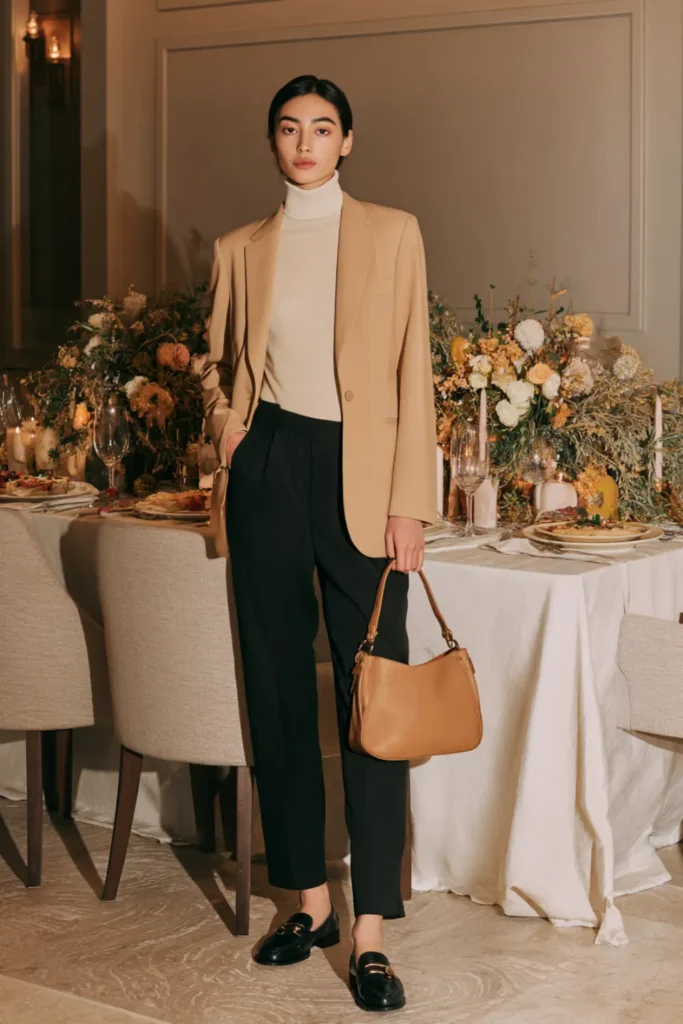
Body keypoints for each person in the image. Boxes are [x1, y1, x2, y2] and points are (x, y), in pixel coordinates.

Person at [201, 74, 437, 1013]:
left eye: (322, 128)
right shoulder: (239, 249)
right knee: (273, 686)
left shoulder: (392, 232)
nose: (305, 142)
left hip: (366, 476)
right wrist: (226, 425)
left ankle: (371, 927)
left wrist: (410, 501)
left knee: (375, 698)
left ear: (348, 142)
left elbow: (415, 366)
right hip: (269, 470)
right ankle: (305, 901)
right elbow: (218, 367)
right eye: (289, 129)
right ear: (274, 144)